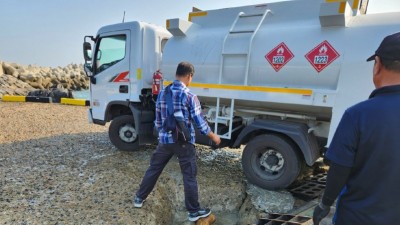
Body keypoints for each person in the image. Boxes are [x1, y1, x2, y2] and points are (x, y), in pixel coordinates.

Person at [313, 32, 400, 225]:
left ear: (377, 65)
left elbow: (339, 169)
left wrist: (325, 204)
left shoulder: (358, 115)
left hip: (357, 218)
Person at [133, 62, 221, 222]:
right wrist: (213, 136)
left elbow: (158, 121)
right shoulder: (190, 96)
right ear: (189, 76)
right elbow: (200, 122)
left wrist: (163, 136)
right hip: (184, 143)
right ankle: (194, 211)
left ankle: (139, 198)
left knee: (154, 169)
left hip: (165, 141)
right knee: (189, 176)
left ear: (177, 74)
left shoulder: (162, 93)